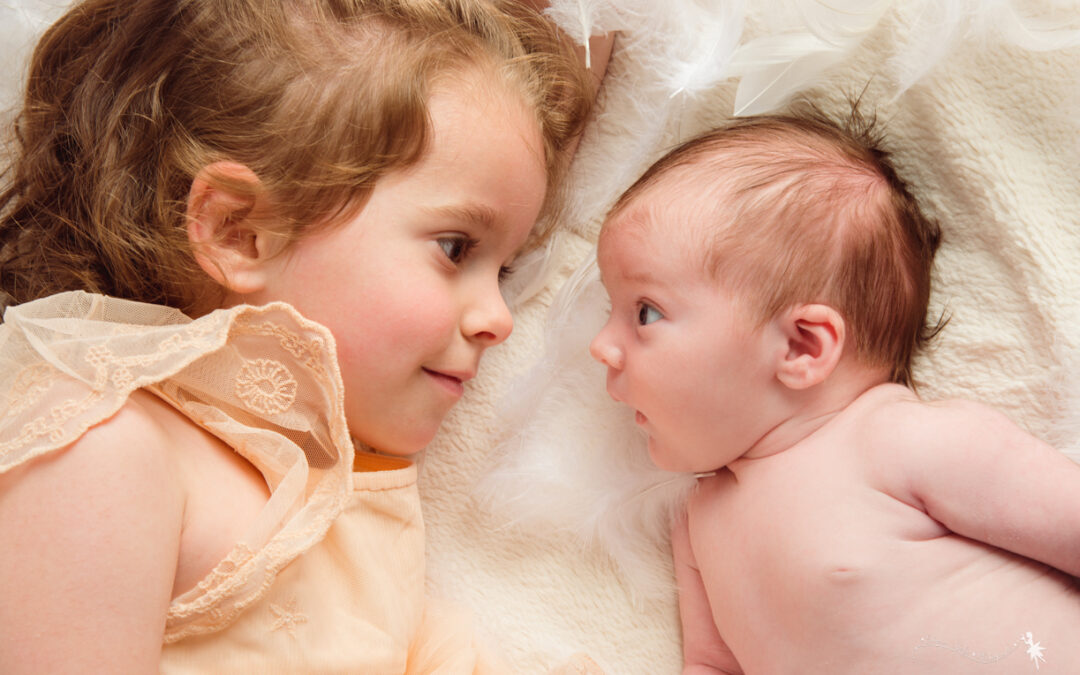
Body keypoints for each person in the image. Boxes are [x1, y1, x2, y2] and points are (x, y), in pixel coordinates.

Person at [0, 0, 604, 672]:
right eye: (456, 248)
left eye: (507, 270)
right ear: (240, 232)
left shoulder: (352, 493)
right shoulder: (107, 449)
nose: (500, 317)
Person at [588, 108, 1080, 673]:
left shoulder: (898, 440)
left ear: (801, 346)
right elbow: (712, 664)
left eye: (645, 312)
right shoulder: (698, 525)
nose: (600, 345)